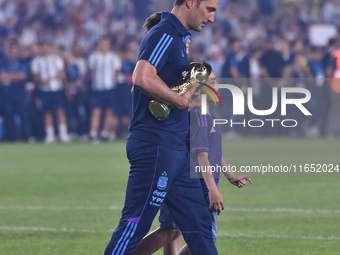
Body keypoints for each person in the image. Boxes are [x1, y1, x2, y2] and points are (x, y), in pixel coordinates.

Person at [104, 1, 220, 255]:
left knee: (200, 230)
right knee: (134, 225)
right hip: (157, 145)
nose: (212, 18)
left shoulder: (177, 38)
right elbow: (141, 78)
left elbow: (147, 83)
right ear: (190, 2)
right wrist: (179, 99)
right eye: (209, 9)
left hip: (176, 148)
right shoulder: (165, 33)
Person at [131, 65, 252, 255]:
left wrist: (231, 175)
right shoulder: (200, 116)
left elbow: (213, 152)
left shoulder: (194, 115)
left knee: (171, 230)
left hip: (178, 181)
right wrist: (213, 189)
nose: (217, 86)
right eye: (211, 82)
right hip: (196, 186)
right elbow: (201, 154)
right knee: (202, 237)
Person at [31, 41, 69, 144]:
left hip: (56, 88)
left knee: (60, 110)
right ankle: (50, 135)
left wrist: (53, 78)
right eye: (43, 46)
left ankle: (63, 134)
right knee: (46, 112)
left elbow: (62, 74)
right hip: (43, 90)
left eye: (47, 46)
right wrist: (43, 81)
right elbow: (34, 76)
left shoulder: (57, 59)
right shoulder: (36, 61)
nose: (45, 49)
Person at [88, 36, 121, 142]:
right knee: (96, 110)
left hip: (110, 87)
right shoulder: (94, 57)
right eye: (102, 44)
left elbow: (116, 72)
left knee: (109, 111)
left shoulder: (113, 57)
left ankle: (105, 132)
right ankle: (93, 133)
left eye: (106, 44)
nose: (104, 46)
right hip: (97, 88)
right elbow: (91, 72)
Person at [0, 39, 32, 141]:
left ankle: (27, 136)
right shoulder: (4, 63)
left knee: (23, 114)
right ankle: (12, 137)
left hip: (19, 91)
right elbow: (2, 77)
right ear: (9, 52)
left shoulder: (22, 62)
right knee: (9, 114)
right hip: (7, 91)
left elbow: (23, 76)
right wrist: (15, 76)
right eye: (12, 52)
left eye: (16, 51)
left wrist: (9, 76)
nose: (14, 54)